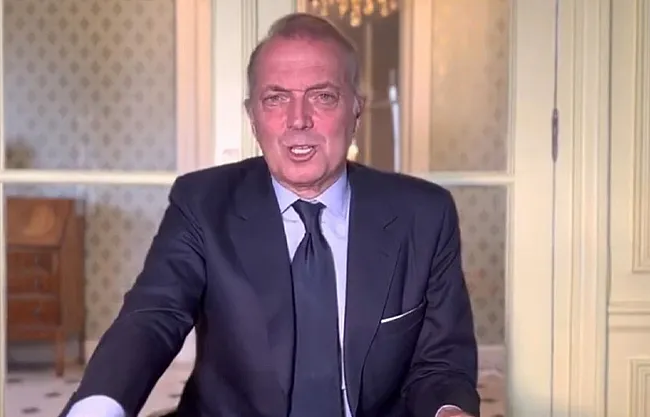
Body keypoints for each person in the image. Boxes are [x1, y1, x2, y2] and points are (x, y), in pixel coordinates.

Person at [60, 12, 480, 417]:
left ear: (356, 109)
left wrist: (449, 410)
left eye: (323, 96)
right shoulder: (203, 203)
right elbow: (153, 316)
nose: (298, 120)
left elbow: (441, 363)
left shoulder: (424, 214)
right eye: (276, 98)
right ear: (253, 116)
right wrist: (97, 410)